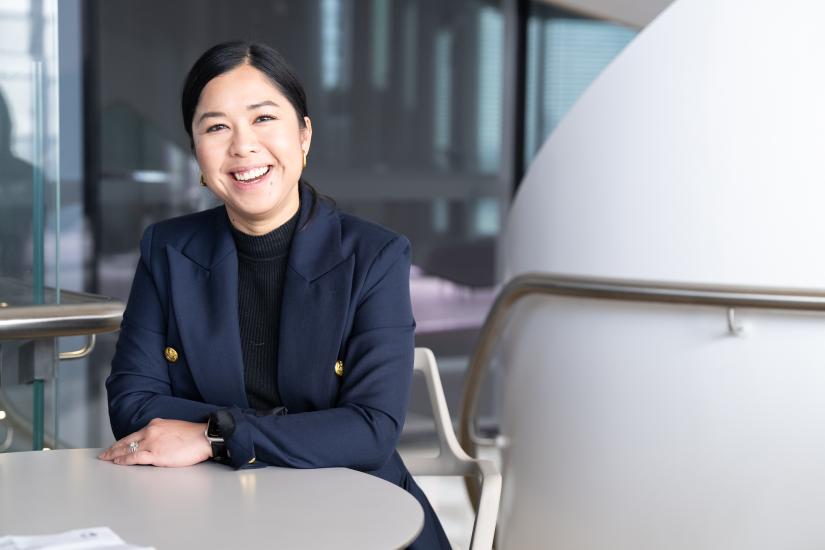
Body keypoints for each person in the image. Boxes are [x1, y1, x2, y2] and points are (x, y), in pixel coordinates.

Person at [99, 41, 451, 548]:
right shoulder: (168, 248)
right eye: (216, 126)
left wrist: (212, 435)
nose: (242, 146)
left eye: (264, 118)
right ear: (195, 151)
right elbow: (132, 403)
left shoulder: (375, 255)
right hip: (211, 513)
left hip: (358, 516)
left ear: (304, 136)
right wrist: (306, 428)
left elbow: (371, 429)